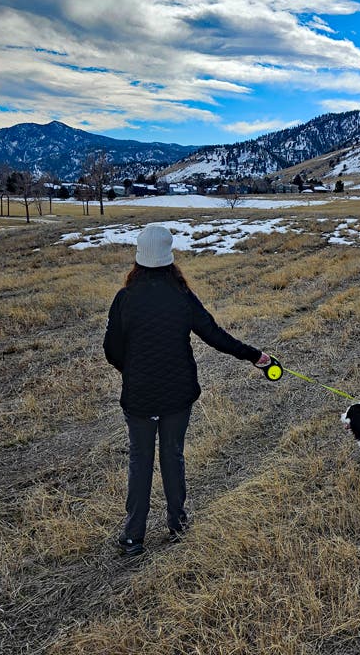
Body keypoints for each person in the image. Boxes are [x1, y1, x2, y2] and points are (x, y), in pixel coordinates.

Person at [103, 224, 271, 556]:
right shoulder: (181, 296)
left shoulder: (125, 298)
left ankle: (133, 537)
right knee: (172, 456)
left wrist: (132, 371)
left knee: (140, 461)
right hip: (178, 396)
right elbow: (215, 335)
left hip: (138, 397)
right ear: (169, 257)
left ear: (139, 258)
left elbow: (111, 349)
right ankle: (177, 524)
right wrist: (255, 355)